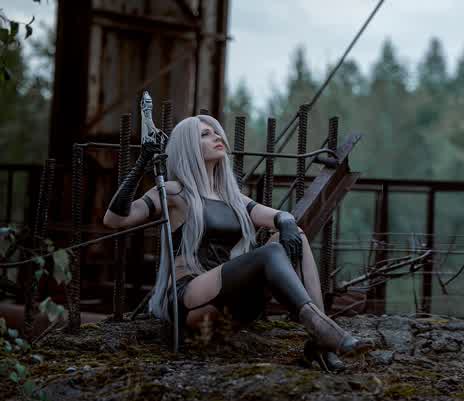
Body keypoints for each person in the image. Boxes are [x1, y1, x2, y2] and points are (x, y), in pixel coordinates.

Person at [103, 114, 370, 371]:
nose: (217, 137)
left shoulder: (232, 198)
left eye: (217, 132)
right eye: (205, 134)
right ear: (188, 147)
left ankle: (321, 343)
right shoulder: (175, 192)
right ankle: (323, 329)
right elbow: (115, 220)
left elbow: (279, 216)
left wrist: (287, 222)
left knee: (295, 234)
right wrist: (142, 163)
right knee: (271, 252)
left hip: (233, 299)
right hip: (192, 301)